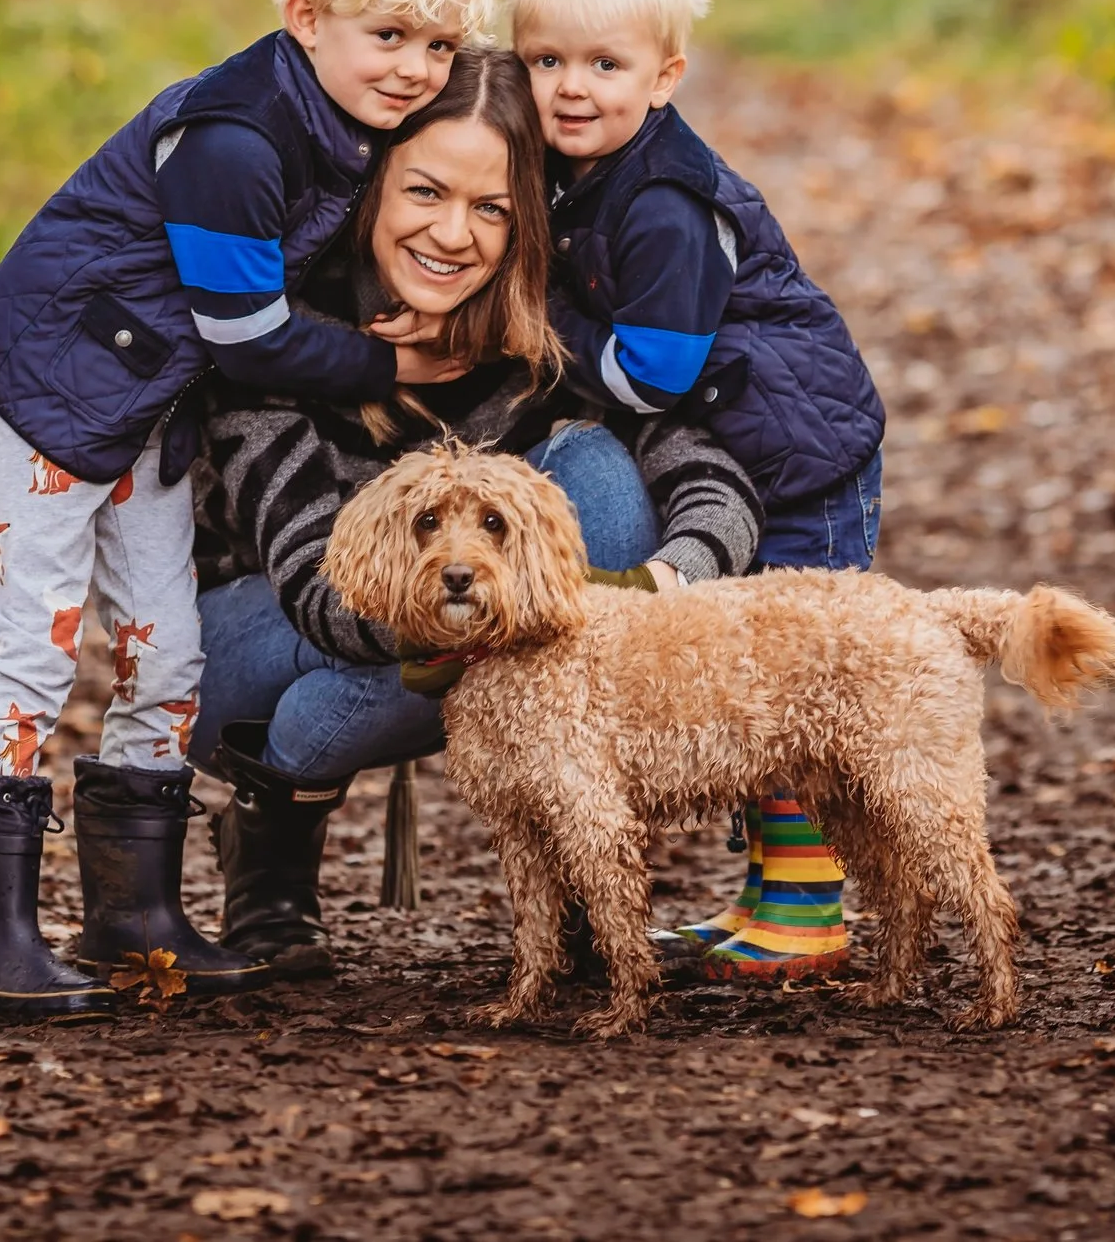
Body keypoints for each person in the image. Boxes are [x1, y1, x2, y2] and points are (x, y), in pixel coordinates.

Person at [0, 0, 495, 1021]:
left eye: (439, 44)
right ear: (303, 15)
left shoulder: (343, 124)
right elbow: (247, 335)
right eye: (387, 32)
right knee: (37, 642)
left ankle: (131, 911)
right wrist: (392, 361)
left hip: (147, 403)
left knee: (168, 642)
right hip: (53, 385)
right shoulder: (238, 137)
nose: (414, 66)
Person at [185, 47, 765, 978]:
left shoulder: (538, 334)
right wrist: (494, 599)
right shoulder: (281, 335)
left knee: (601, 472)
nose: (453, 234)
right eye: (425, 192)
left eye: (490, 208)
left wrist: (665, 585)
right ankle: (270, 853)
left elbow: (713, 482)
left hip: (430, 658)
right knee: (319, 688)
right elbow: (309, 579)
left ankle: (579, 874)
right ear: (373, 186)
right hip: (252, 649)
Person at [509, 0, 887, 982]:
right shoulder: (583, 166)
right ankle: (766, 898)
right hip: (744, 448)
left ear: (665, 76)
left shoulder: (668, 201)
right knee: (738, 682)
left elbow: (650, 377)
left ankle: (809, 909)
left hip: (802, 460)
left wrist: (536, 336)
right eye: (545, 61)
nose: (571, 87)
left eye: (605, 63)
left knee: (792, 682)